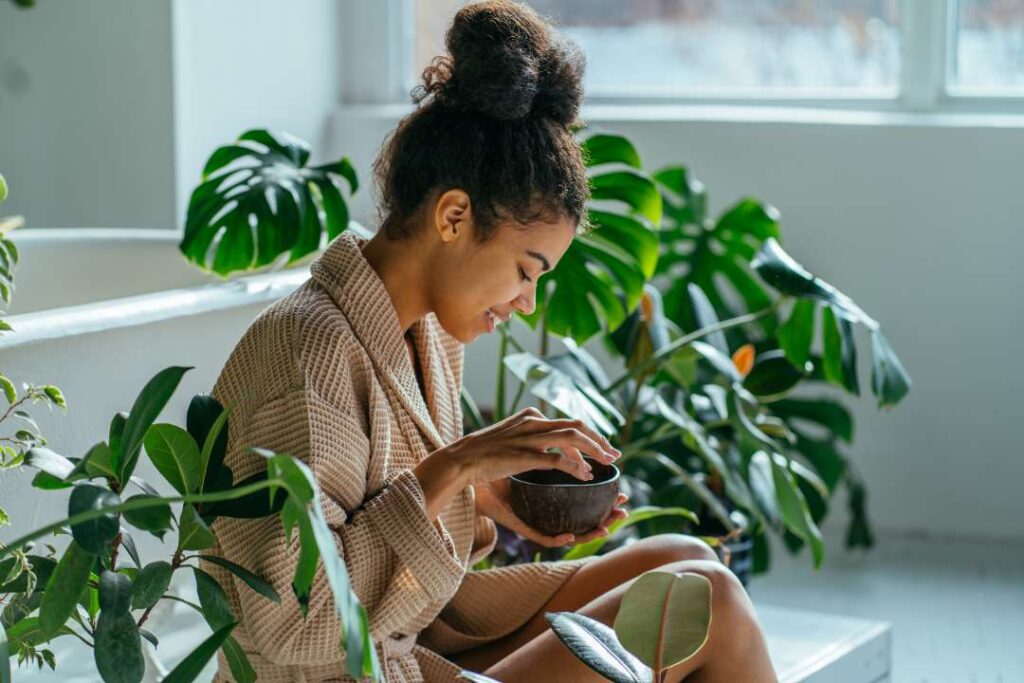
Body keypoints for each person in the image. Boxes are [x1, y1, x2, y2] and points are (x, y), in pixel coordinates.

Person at [203, 1, 776, 681]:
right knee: (714, 604)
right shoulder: (311, 354)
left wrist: (488, 497)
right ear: (453, 215)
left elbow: (384, 524)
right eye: (525, 270)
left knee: (685, 561)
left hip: (403, 641)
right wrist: (457, 465)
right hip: (334, 670)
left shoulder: (424, 332)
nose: (527, 301)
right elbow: (293, 623)